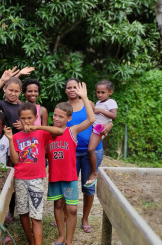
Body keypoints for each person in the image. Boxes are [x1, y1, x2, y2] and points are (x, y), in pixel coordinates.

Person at [6, 102, 64, 245]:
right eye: (23, 118)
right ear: (19, 119)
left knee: (36, 216)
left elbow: (60, 132)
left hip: (36, 179)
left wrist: (37, 126)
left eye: (30, 118)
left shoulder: (41, 132)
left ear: (36, 117)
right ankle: (31, 241)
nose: (27, 121)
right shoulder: (16, 136)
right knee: (23, 213)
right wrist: (10, 140)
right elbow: (15, 160)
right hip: (20, 179)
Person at [0, 67, 34, 224]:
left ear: (20, 92)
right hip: (1, 146)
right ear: (4, 89)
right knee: (3, 177)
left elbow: (30, 123)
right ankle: (0, 209)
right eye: (10, 90)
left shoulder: (21, 106)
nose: (13, 93)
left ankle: (12, 210)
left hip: (18, 146)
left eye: (16, 91)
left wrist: (23, 126)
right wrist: (2, 79)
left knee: (14, 179)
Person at [47, 82, 95, 245]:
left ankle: (69, 241)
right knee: (58, 204)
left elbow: (91, 119)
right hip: (55, 177)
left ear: (69, 119)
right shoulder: (47, 133)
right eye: (55, 115)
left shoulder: (71, 131)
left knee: (72, 208)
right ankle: (61, 236)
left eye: (61, 116)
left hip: (70, 176)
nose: (56, 118)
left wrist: (85, 98)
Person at [65, 78, 113, 233]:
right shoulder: (63, 107)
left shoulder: (90, 103)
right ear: (65, 90)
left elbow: (105, 120)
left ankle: (85, 219)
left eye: (75, 87)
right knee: (68, 185)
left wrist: (108, 126)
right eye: (69, 87)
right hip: (71, 152)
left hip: (92, 151)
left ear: (80, 89)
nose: (72, 90)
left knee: (88, 187)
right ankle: (66, 215)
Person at [85, 79, 118, 186]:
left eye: (103, 92)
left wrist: (101, 110)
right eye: (98, 92)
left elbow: (114, 116)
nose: (100, 95)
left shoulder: (111, 102)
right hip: (94, 127)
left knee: (90, 149)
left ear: (110, 92)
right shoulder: (99, 103)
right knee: (89, 148)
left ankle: (94, 172)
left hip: (100, 129)